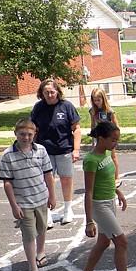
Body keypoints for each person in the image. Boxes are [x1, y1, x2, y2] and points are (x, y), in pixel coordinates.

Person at [77, 121, 136, 271]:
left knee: (103, 242)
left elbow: (107, 180)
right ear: (101, 139)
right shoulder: (91, 160)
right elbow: (89, 191)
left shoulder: (106, 154)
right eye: (113, 140)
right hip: (100, 206)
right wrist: (89, 221)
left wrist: (118, 192)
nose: (115, 144)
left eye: (117, 140)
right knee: (122, 242)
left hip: (109, 202)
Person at [0, 119, 56, 271]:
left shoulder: (41, 150)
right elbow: (7, 182)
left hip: (41, 198)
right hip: (23, 202)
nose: (26, 137)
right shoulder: (8, 155)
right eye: (22, 134)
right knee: (29, 234)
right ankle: (34, 269)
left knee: (42, 227)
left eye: (30, 134)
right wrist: (14, 206)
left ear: (34, 135)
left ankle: (41, 252)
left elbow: (48, 175)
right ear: (15, 133)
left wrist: (52, 196)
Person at [30, 79, 81, 226]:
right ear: (42, 94)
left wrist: (76, 150)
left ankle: (67, 209)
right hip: (45, 151)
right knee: (47, 181)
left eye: (52, 92)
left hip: (64, 149)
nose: (50, 95)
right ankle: (47, 213)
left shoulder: (66, 106)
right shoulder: (39, 108)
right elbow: (34, 129)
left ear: (57, 91)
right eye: (46, 92)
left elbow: (76, 129)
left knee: (66, 178)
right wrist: (31, 148)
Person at [89, 87, 121, 186]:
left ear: (103, 99)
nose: (97, 102)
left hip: (109, 137)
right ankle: (102, 177)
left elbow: (116, 125)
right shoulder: (92, 111)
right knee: (99, 157)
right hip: (99, 137)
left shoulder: (109, 111)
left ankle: (116, 177)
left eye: (98, 100)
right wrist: (93, 138)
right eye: (94, 100)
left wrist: (115, 139)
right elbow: (93, 124)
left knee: (112, 156)